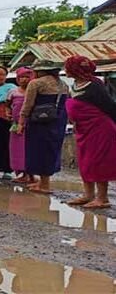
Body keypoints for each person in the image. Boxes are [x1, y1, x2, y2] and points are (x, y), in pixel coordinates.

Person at [64, 55, 116, 209]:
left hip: (100, 128)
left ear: (76, 69)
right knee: (85, 160)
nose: (65, 70)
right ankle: (88, 194)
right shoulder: (75, 84)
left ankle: (102, 198)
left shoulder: (94, 85)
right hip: (83, 129)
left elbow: (109, 107)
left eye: (68, 67)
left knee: (98, 161)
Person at [18, 59, 69, 194]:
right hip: (58, 121)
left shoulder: (36, 83)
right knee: (52, 150)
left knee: (39, 151)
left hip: (39, 122)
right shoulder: (63, 84)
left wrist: (21, 122)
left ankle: (44, 185)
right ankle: (43, 181)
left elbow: (27, 105)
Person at [7, 67, 34, 183]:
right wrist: (8, 113)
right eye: (21, 77)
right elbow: (7, 105)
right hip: (16, 124)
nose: (24, 80)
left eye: (27, 77)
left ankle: (31, 174)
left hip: (31, 124)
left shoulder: (34, 91)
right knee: (17, 150)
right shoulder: (13, 92)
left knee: (30, 149)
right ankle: (21, 173)